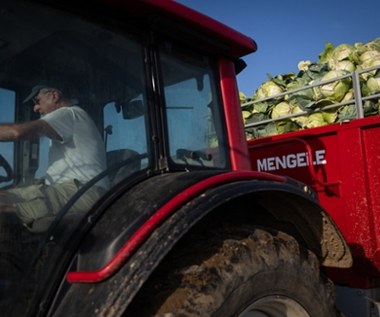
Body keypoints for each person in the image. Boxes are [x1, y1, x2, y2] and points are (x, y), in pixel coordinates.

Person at [0, 84, 109, 230]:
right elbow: (70, 165)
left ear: (54, 95)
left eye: (37, 101)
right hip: (70, 189)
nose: (35, 108)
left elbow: (17, 132)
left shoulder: (69, 113)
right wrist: (44, 179)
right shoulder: (70, 121)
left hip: (84, 191)